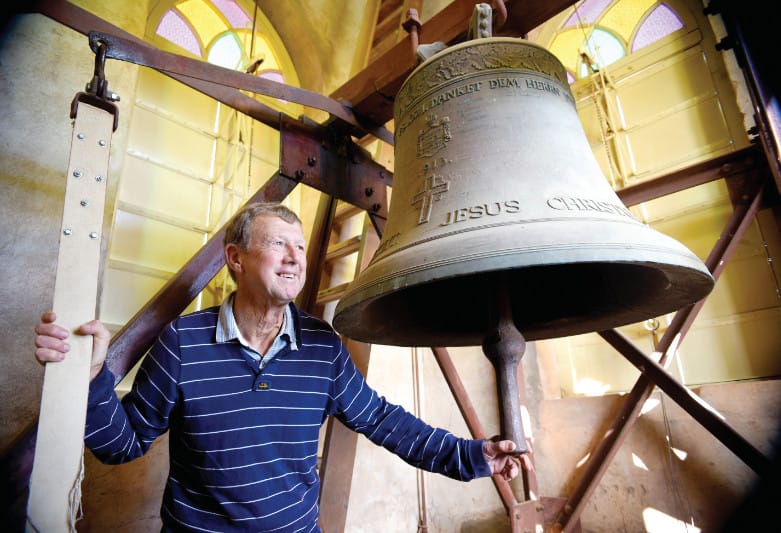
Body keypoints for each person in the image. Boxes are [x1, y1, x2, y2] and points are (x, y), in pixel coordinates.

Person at [34, 202, 523, 532]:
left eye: (299, 246)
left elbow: (382, 420)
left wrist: (473, 456)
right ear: (236, 259)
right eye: (277, 245)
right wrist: (92, 377)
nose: (295, 258)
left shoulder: (322, 347)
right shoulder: (183, 343)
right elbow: (122, 445)